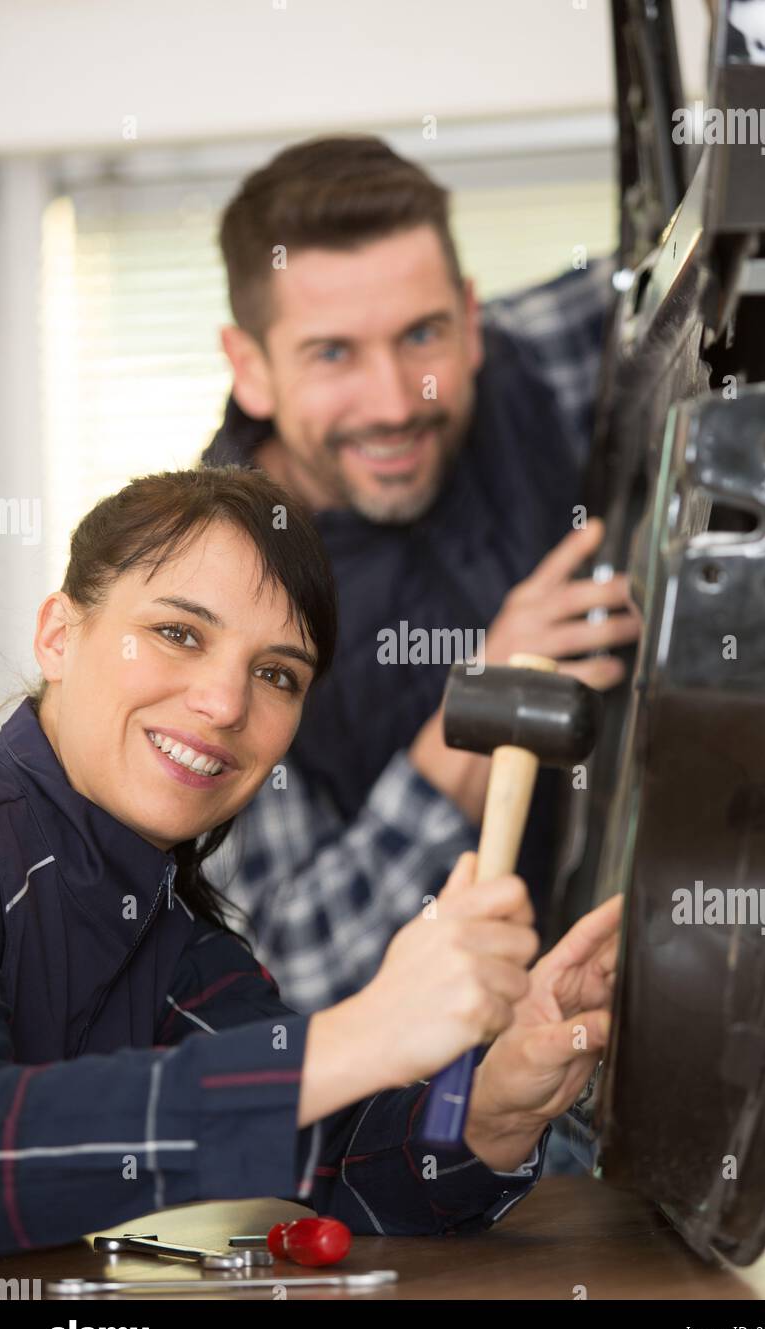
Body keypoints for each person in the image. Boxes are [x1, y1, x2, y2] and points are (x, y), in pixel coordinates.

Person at [0, 466, 620, 1255]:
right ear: (58, 634)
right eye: (178, 633)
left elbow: (338, 1157)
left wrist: (494, 1104)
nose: (226, 705)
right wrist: (362, 1035)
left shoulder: (176, 947)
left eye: (275, 675)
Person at [202, 134, 637, 1026]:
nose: (396, 400)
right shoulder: (215, 600)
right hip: (457, 1113)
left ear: (469, 320)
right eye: (332, 354)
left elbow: (717, 264)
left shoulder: (534, 362)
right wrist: (473, 716)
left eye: (422, 335)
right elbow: (289, 965)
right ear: (250, 367)